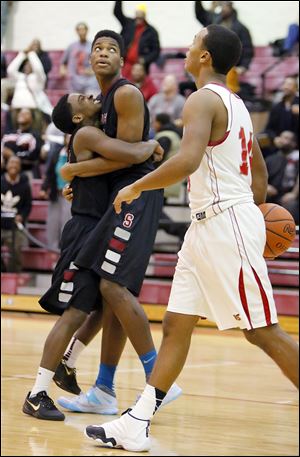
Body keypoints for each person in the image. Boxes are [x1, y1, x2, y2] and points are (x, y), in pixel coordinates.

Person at [85, 25, 299, 452]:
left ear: (205, 57)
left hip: (224, 224)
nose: (187, 47)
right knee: (176, 325)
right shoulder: (235, 104)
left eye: (194, 43)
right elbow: (257, 171)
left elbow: (187, 160)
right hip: (207, 227)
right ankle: (137, 422)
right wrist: (251, 211)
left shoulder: (202, 99)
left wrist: (137, 186)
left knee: (263, 332)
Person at [53, 30, 181, 415]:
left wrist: (73, 169)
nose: (104, 53)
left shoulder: (124, 94)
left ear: (122, 61)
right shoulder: (101, 103)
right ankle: (105, 390)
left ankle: (158, 375)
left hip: (138, 193)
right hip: (120, 197)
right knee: (110, 293)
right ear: (88, 60)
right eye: (98, 49)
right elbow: (123, 156)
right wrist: (77, 178)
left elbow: (129, 159)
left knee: (112, 285)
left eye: (112, 49)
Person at [22, 92, 162, 420]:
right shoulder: (86, 134)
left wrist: (74, 171)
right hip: (83, 231)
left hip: (96, 228)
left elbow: (111, 164)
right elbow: (126, 156)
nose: (88, 95)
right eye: (79, 99)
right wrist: (149, 150)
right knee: (74, 312)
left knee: (104, 303)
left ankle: (68, 364)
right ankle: (36, 393)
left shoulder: (91, 134)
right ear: (76, 118)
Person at [194, 1, 254, 93]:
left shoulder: (241, 28)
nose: (222, 7)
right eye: (221, 4)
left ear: (230, 7)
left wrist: (243, 67)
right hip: (211, 66)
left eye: (224, 5)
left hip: (231, 69)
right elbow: (201, 15)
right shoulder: (214, 21)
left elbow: (248, 49)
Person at [113, 1, 160, 79]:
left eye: (140, 17)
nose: (138, 19)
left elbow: (156, 51)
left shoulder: (152, 31)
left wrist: (145, 59)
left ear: (144, 16)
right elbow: (117, 12)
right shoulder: (128, 24)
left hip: (140, 67)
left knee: (137, 87)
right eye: (137, 17)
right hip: (124, 64)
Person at [1, 155, 32, 272]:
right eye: (11, 163)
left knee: (16, 248)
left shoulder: (24, 185)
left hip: (15, 227)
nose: (13, 165)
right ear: (6, 165)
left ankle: (13, 275)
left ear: (20, 167)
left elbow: (28, 205)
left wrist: (22, 217)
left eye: (16, 163)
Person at [59, 22, 98, 94]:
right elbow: (63, 62)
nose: (82, 32)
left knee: (92, 102)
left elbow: (98, 62)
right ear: (76, 31)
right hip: (74, 83)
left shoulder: (93, 46)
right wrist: (62, 70)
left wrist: (93, 70)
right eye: (80, 30)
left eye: (83, 29)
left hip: (90, 82)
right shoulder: (71, 46)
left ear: (87, 30)